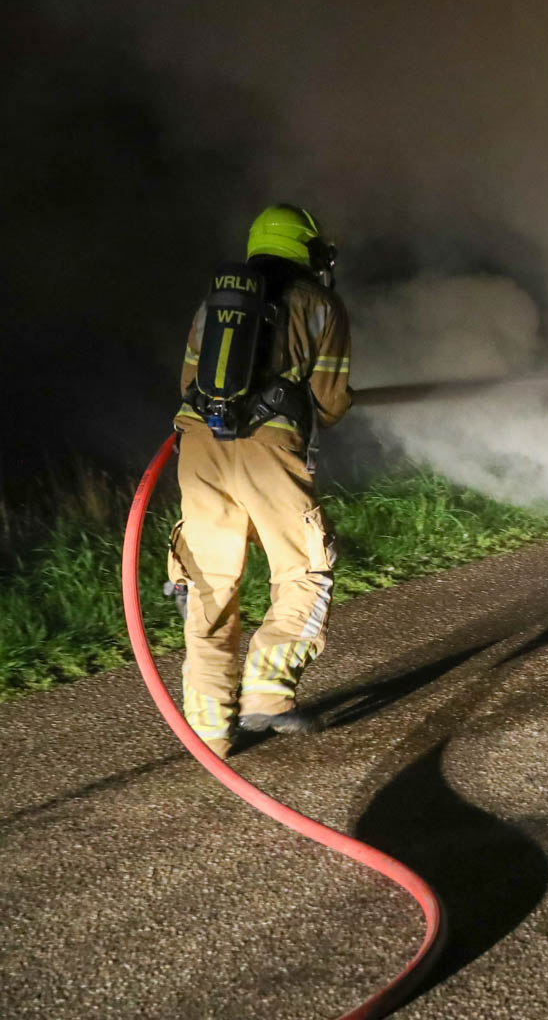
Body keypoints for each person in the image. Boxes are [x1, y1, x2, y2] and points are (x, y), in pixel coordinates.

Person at [165, 205, 351, 758]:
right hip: (269, 450)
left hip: (199, 448)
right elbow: (330, 403)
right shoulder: (320, 304)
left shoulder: (214, 303)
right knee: (304, 569)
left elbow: (189, 381)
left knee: (210, 585)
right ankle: (268, 690)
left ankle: (210, 729)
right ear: (308, 250)